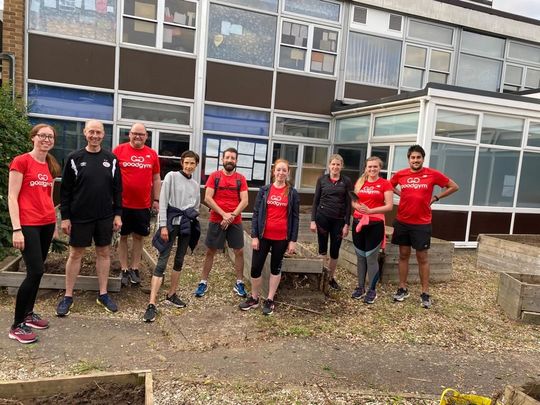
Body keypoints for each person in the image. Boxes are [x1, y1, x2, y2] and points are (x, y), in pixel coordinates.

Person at [56, 120, 123, 316]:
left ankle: (103, 294)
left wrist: (118, 214)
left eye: (98, 132)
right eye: (91, 132)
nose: (95, 135)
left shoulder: (111, 159)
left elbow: (117, 189)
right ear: (85, 133)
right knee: (75, 254)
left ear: (104, 135)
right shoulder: (74, 158)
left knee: (104, 253)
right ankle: (68, 296)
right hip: (79, 216)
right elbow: (65, 191)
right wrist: (65, 217)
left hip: (104, 216)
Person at [7, 124, 61, 344]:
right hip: (28, 224)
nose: (46, 139)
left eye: (50, 137)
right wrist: (17, 229)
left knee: (38, 271)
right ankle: (17, 324)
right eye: (42, 136)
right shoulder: (21, 162)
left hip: (46, 223)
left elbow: (48, 196)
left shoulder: (49, 163)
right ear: (33, 138)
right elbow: (12, 197)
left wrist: (54, 222)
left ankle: (29, 314)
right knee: (35, 271)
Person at [390, 145, 459, 309]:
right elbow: (389, 185)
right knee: (403, 255)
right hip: (402, 221)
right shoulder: (401, 174)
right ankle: (402, 288)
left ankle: (425, 292)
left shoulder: (432, 174)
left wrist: (436, 197)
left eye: (418, 157)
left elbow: (454, 186)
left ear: (422, 158)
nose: (415, 160)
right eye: (412, 158)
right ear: (409, 159)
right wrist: (401, 194)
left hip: (421, 223)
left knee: (423, 258)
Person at [143, 151, 201, 323]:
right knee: (163, 260)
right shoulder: (171, 177)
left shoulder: (196, 185)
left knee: (180, 259)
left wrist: (191, 215)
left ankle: (172, 293)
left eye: (193, 163)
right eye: (187, 162)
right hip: (171, 222)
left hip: (186, 224)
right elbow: (163, 201)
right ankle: (152, 302)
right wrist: (163, 226)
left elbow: (196, 205)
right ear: (182, 162)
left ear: (196, 165)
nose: (189, 166)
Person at [239, 159, 299, 315]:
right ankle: (254, 298)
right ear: (273, 171)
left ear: (288, 173)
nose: (281, 173)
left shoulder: (292, 193)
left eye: (284, 170)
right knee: (255, 268)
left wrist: (292, 240)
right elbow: (256, 213)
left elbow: (295, 217)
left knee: (275, 268)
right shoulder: (264, 190)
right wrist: (254, 236)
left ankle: (270, 299)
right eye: (278, 170)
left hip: (281, 238)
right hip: (263, 236)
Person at [195, 147, 249, 298]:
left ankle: (239, 282)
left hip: (235, 221)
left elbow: (245, 201)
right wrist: (223, 214)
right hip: (217, 220)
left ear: (236, 161)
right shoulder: (214, 176)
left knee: (239, 251)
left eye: (233, 158)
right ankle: (203, 282)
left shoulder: (240, 178)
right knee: (210, 251)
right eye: (227, 157)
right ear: (222, 159)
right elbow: (207, 198)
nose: (230, 160)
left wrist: (231, 216)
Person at [113, 123, 160, 287]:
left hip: (143, 205)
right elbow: (111, 176)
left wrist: (156, 200)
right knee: (123, 236)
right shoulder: (119, 150)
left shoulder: (152, 154)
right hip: (122, 204)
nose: (138, 137)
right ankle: (124, 269)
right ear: (129, 134)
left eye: (141, 134)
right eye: (135, 133)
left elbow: (156, 178)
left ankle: (135, 268)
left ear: (146, 136)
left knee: (139, 237)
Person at [350, 157, 393, 304]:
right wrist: (357, 207)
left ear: (379, 168)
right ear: (366, 168)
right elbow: (353, 201)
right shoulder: (360, 182)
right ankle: (360, 287)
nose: (372, 169)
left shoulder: (385, 184)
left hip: (375, 224)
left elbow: (389, 206)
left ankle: (372, 290)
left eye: (375, 167)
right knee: (360, 257)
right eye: (370, 167)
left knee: (371, 258)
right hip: (358, 222)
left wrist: (370, 210)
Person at [310, 154, 353, 291]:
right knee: (322, 249)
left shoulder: (346, 181)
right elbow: (315, 200)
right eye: (333, 164)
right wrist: (312, 220)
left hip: (339, 221)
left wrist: (347, 224)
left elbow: (348, 204)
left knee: (334, 251)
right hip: (322, 218)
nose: (335, 167)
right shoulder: (322, 180)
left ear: (342, 166)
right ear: (329, 165)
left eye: (338, 164)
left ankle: (330, 278)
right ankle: (320, 276)